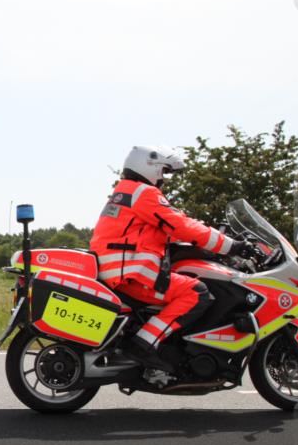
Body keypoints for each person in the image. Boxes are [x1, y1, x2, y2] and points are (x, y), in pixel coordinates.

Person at [89, 145, 254, 371]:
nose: (164, 180)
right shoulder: (143, 193)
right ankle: (144, 344)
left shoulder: (125, 192)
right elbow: (181, 225)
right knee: (196, 292)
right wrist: (232, 246)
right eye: (163, 172)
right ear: (150, 168)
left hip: (118, 269)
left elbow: (158, 230)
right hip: (132, 274)